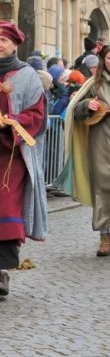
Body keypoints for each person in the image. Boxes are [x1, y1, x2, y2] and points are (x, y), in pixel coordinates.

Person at [56, 41, 110, 257]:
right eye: (109, 58)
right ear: (103, 61)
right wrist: (88, 107)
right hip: (99, 144)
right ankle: (104, 236)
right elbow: (74, 111)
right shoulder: (93, 84)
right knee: (102, 189)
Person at [0, 21, 47, 297]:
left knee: (6, 210)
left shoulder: (27, 76)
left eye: (3, 40)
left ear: (15, 44)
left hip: (11, 157)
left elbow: (38, 115)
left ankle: (1, 272)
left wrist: (12, 122)